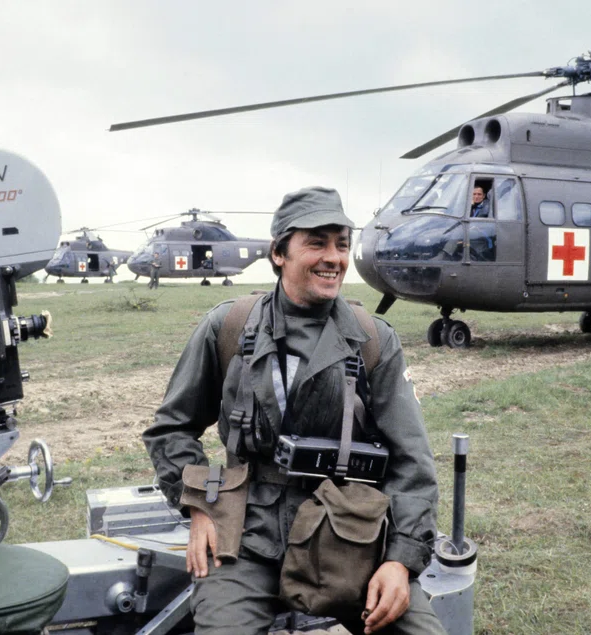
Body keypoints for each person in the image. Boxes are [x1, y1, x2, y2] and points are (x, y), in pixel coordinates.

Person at [143, 186, 444, 635]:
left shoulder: (373, 339)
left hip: (348, 533)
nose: (333, 258)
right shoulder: (229, 326)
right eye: (316, 243)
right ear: (279, 253)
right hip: (245, 536)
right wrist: (200, 506)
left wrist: (400, 560)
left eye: (341, 244)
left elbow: (412, 461)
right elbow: (172, 428)